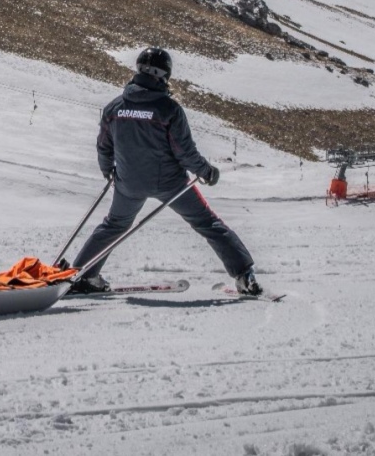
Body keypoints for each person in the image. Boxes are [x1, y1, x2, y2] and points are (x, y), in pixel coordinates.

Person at [69, 47, 261, 296]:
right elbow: (185, 152)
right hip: (170, 184)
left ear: (138, 69)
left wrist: (108, 171)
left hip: (128, 182)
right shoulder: (169, 109)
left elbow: (104, 146)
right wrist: (207, 172)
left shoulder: (115, 107)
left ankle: (83, 275)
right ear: (166, 75)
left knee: (114, 225)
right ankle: (244, 275)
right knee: (207, 223)